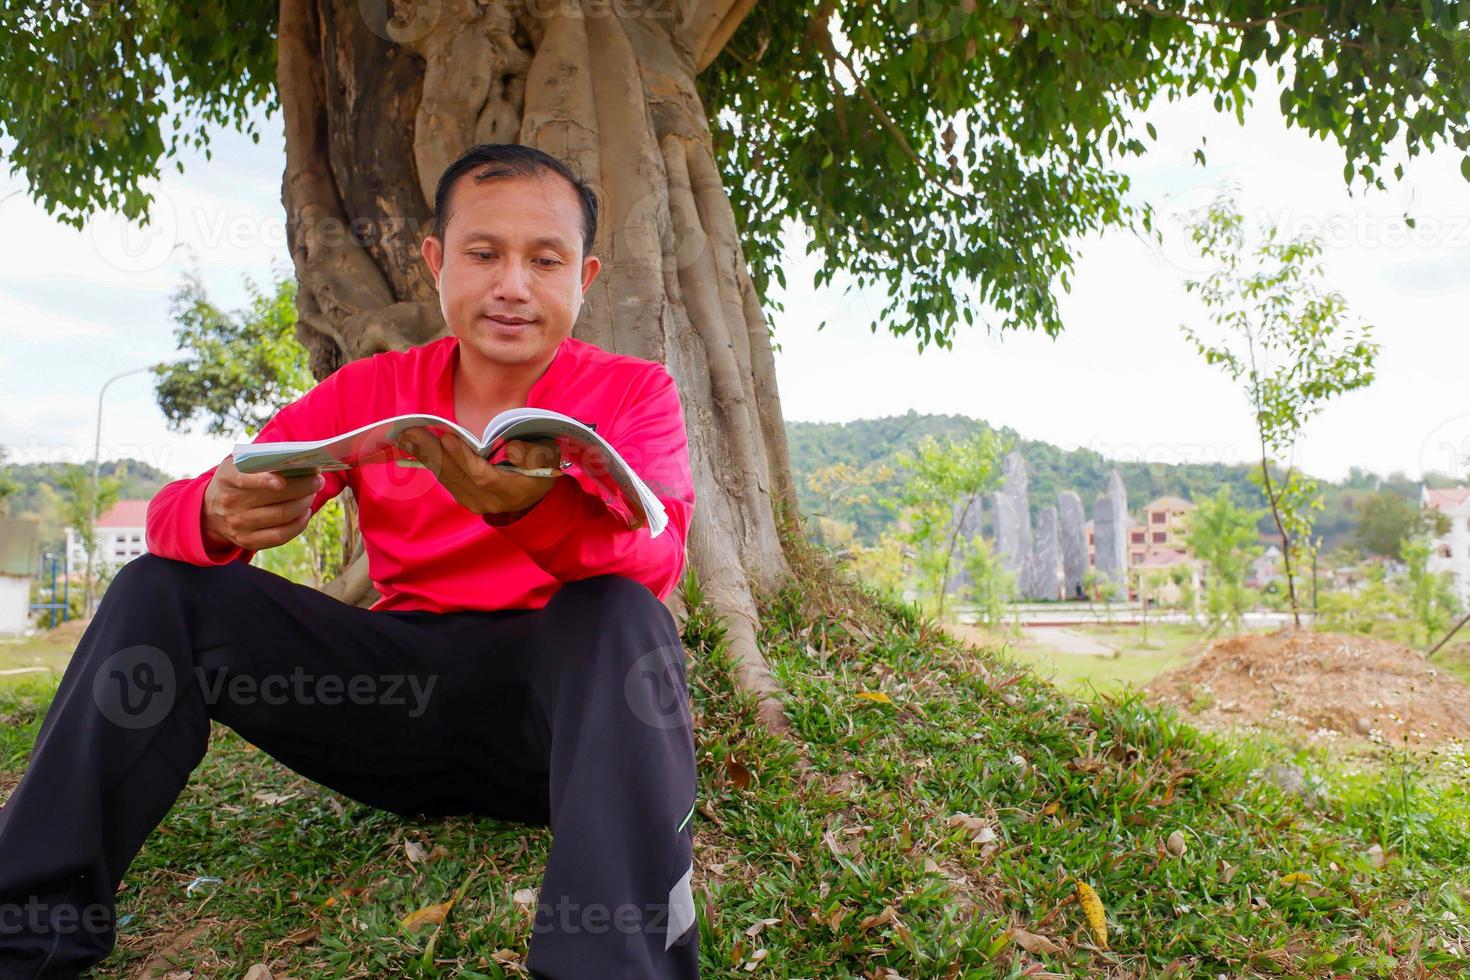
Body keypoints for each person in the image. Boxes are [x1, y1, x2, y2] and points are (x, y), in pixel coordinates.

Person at [0, 144, 699, 980]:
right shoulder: (377, 389)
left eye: (544, 261)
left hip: (553, 732)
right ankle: (26, 930)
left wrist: (538, 509)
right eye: (483, 254)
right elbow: (191, 503)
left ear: (582, 278)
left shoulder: (632, 392)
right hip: (392, 704)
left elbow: (658, 559)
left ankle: (612, 968)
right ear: (436, 262)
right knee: (163, 588)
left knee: (619, 611)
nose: (513, 284)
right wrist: (216, 514)